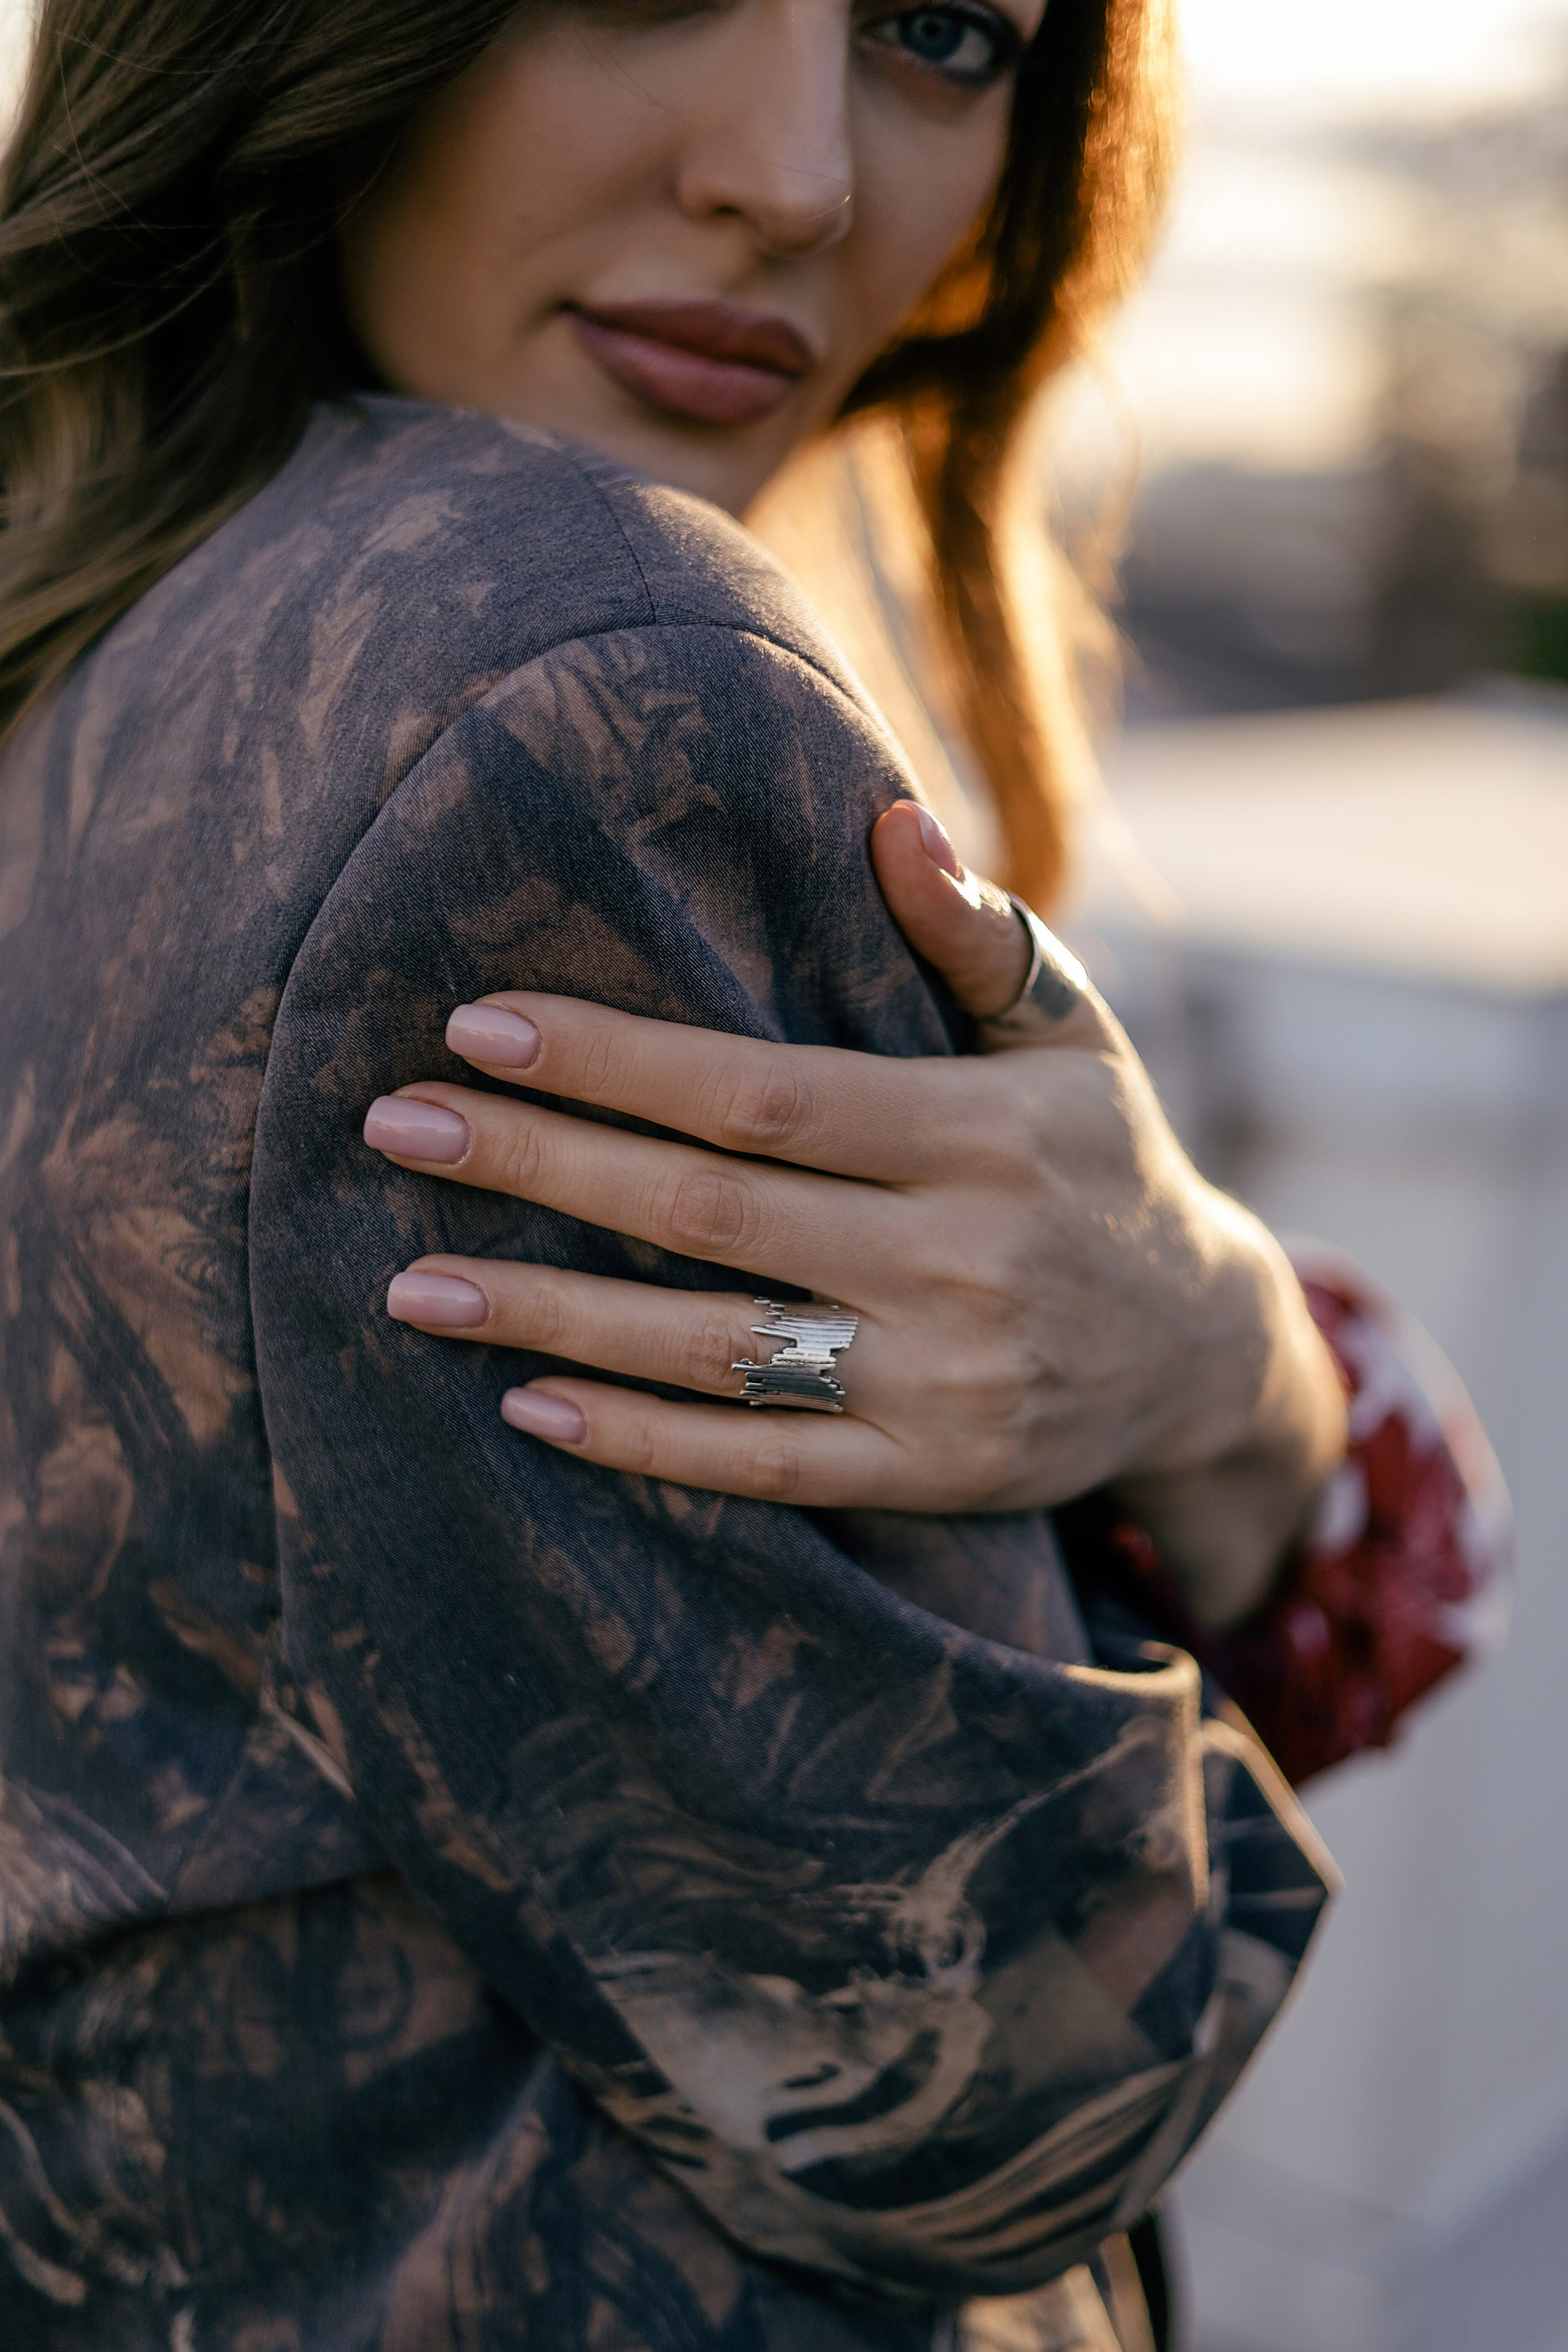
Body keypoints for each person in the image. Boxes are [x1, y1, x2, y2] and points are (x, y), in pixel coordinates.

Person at [0, 4, 1504, 2349]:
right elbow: (999, 2088)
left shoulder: (109, 619)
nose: (798, 176)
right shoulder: (574, 702)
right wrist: (1221, 1401)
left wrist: (1206, 1342)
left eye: (940, 32)